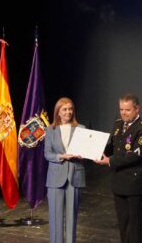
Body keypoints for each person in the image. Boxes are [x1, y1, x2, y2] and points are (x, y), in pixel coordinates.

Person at [95, 94, 142, 243]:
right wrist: (95, 151)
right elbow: (112, 146)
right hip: (119, 181)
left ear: (136, 109)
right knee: (123, 224)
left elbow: (134, 156)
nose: (124, 113)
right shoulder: (118, 124)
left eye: (127, 110)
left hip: (134, 183)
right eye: (121, 109)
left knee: (134, 226)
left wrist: (109, 161)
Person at [44, 97, 86, 243]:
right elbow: (47, 154)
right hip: (56, 176)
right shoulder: (50, 130)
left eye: (70, 109)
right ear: (58, 113)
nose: (68, 112)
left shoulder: (81, 129)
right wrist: (61, 156)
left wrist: (85, 154)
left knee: (72, 217)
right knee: (55, 216)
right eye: (64, 109)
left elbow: (86, 151)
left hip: (74, 175)